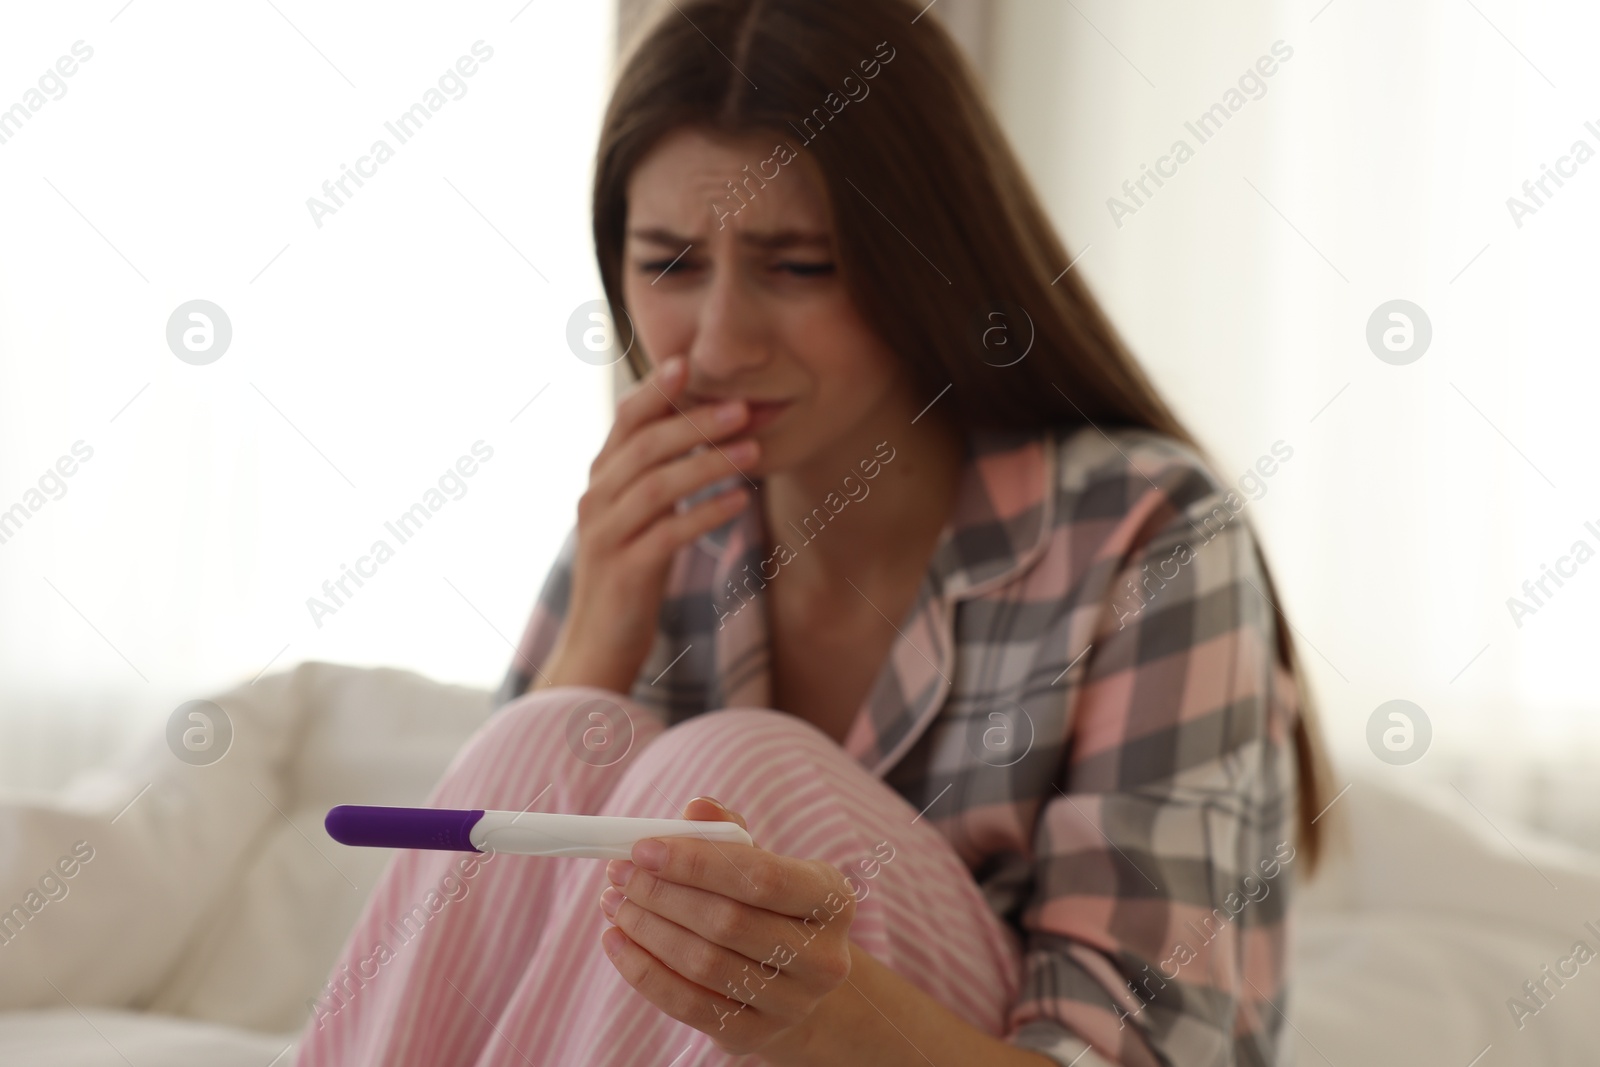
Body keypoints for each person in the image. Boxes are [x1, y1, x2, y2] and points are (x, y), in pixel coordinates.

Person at [294, 1, 1332, 1063]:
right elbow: (491, 960)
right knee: (541, 734)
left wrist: (822, 1008)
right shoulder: (655, 514)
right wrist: (598, 632)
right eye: (669, 264)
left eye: (796, 266)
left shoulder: (1148, 532)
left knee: (741, 776)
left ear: (929, 262)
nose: (720, 341)